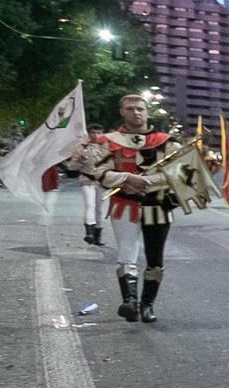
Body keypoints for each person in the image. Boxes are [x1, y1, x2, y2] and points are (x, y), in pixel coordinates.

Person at [75, 93, 180, 324]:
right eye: (130, 108)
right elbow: (99, 172)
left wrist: (147, 182)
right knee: (126, 255)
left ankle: (147, 305)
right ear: (122, 111)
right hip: (125, 205)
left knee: (155, 259)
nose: (136, 112)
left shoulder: (167, 141)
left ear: (147, 111)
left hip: (159, 205)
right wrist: (126, 178)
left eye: (140, 108)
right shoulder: (107, 140)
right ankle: (130, 301)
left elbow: (180, 173)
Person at [80, 123, 107, 245]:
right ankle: (89, 233)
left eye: (98, 132)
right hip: (87, 180)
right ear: (88, 134)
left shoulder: (107, 148)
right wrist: (81, 158)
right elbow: (72, 166)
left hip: (101, 181)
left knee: (99, 209)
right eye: (93, 132)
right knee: (89, 205)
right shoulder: (83, 147)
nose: (95, 135)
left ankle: (98, 236)